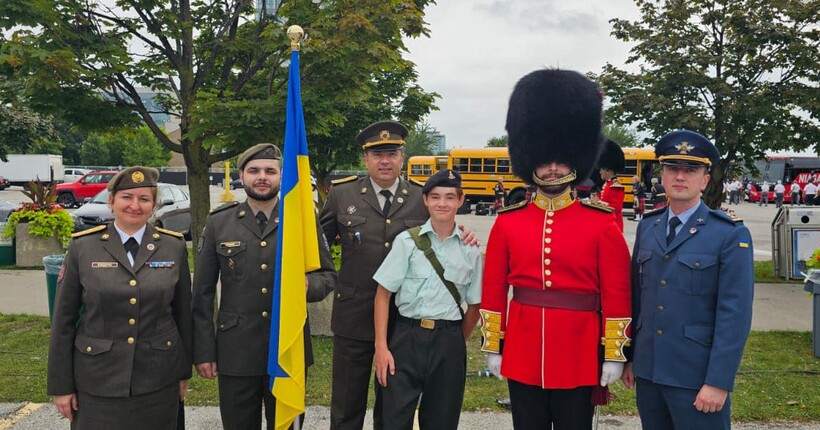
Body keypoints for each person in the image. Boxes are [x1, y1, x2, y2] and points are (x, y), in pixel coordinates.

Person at [480, 69, 632, 430]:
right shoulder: (509, 220)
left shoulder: (601, 221)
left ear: (575, 161)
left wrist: (615, 353)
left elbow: (617, 291)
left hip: (579, 350)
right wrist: (492, 345)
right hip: (522, 345)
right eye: (544, 161)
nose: (551, 169)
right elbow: (494, 287)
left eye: (560, 161)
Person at [320, 120, 476, 430]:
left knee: (392, 410)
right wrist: (324, 278)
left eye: (392, 153)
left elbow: (442, 225)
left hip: (404, 326)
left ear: (402, 157)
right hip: (353, 316)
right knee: (345, 409)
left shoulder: (421, 195)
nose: (385, 161)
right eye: (377, 155)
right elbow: (316, 244)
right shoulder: (343, 194)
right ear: (366, 159)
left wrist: (463, 231)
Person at [192, 143, 336, 430]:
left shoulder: (301, 222)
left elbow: (329, 276)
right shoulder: (220, 222)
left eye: (270, 171)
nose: (262, 177)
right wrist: (205, 351)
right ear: (241, 176)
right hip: (236, 349)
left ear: (282, 176)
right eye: (254, 170)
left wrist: (308, 284)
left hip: (288, 347)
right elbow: (203, 293)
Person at [623, 130, 754, 430]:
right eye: (672, 169)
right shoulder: (649, 226)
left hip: (696, 378)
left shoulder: (729, 234)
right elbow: (638, 299)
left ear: (705, 179)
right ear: (663, 176)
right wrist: (630, 357)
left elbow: (734, 314)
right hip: (650, 372)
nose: (680, 176)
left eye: (691, 170)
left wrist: (718, 381)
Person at [48, 166, 192, 429]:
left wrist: (183, 373)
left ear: (154, 205)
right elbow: (63, 321)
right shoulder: (83, 246)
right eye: (127, 197)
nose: (135, 205)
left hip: (159, 379)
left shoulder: (173, 246)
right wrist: (61, 386)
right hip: (98, 381)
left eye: (144, 199)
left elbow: (183, 314)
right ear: (111, 200)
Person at [373, 168, 482, 429]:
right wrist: (381, 347)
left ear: (460, 200)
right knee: (394, 418)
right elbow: (383, 294)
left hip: (448, 341)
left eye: (449, 197)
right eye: (435, 197)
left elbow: (475, 305)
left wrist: (454, 339)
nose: (442, 203)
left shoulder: (470, 249)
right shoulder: (407, 242)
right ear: (425, 200)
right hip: (405, 339)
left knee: (442, 419)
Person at [597, 139, 626, 231]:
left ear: (608, 170)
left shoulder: (616, 186)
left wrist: (599, 203)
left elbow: (617, 207)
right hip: (605, 220)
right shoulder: (607, 184)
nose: (600, 171)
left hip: (614, 222)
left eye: (602, 169)